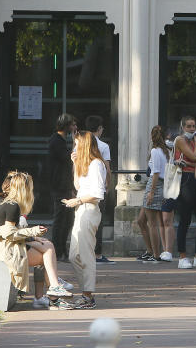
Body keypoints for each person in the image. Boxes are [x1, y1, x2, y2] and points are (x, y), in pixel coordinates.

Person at [0, 172, 73, 309]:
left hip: (8, 244)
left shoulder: (11, 203)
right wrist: (33, 231)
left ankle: (54, 289)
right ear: (23, 189)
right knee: (47, 254)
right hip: (7, 249)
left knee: (47, 245)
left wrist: (34, 237)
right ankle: (54, 291)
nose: (31, 191)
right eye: (29, 188)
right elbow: (9, 234)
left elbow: (12, 233)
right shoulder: (12, 206)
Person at [60, 130, 107, 310]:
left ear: (85, 145)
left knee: (85, 254)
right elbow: (78, 186)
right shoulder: (85, 164)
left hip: (88, 210)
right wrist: (74, 164)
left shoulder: (96, 164)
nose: (75, 147)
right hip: (81, 209)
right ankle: (86, 292)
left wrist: (78, 200)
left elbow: (97, 194)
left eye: (77, 144)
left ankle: (88, 295)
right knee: (74, 255)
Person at [84, 115, 114, 264]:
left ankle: (86, 252)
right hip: (98, 187)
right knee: (98, 221)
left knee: (85, 220)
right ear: (99, 129)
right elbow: (107, 169)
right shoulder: (103, 146)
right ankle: (97, 254)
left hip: (83, 188)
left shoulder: (80, 145)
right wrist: (108, 185)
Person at [136, 125, 168, 261]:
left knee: (152, 223)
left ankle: (155, 254)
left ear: (152, 137)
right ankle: (150, 251)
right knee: (141, 221)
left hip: (154, 185)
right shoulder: (165, 151)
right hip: (159, 185)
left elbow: (155, 172)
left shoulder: (155, 151)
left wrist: (152, 192)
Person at [48, 113, 77, 261]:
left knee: (66, 218)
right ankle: (58, 250)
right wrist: (74, 144)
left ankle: (61, 249)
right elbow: (68, 159)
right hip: (60, 186)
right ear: (66, 126)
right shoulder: (57, 141)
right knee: (61, 219)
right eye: (72, 125)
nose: (74, 128)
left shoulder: (59, 140)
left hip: (63, 185)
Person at [174, 115, 196, 269]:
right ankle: (182, 257)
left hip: (195, 178)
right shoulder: (180, 140)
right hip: (185, 179)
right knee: (185, 219)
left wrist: (193, 160)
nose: (192, 129)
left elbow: (195, 160)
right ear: (183, 127)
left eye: (194, 126)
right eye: (189, 126)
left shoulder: (188, 141)